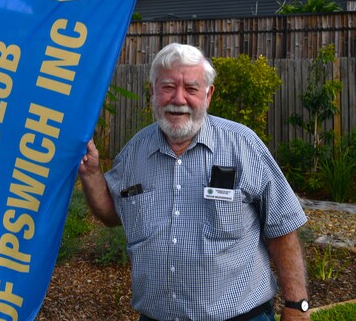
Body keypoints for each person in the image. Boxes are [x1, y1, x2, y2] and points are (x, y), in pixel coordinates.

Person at [79, 43, 310, 321]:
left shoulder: (243, 146)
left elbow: (282, 227)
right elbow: (112, 214)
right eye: (168, 87)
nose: (179, 99)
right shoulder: (133, 153)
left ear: (208, 94)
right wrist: (91, 174)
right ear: (152, 91)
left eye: (191, 88)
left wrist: (297, 305)